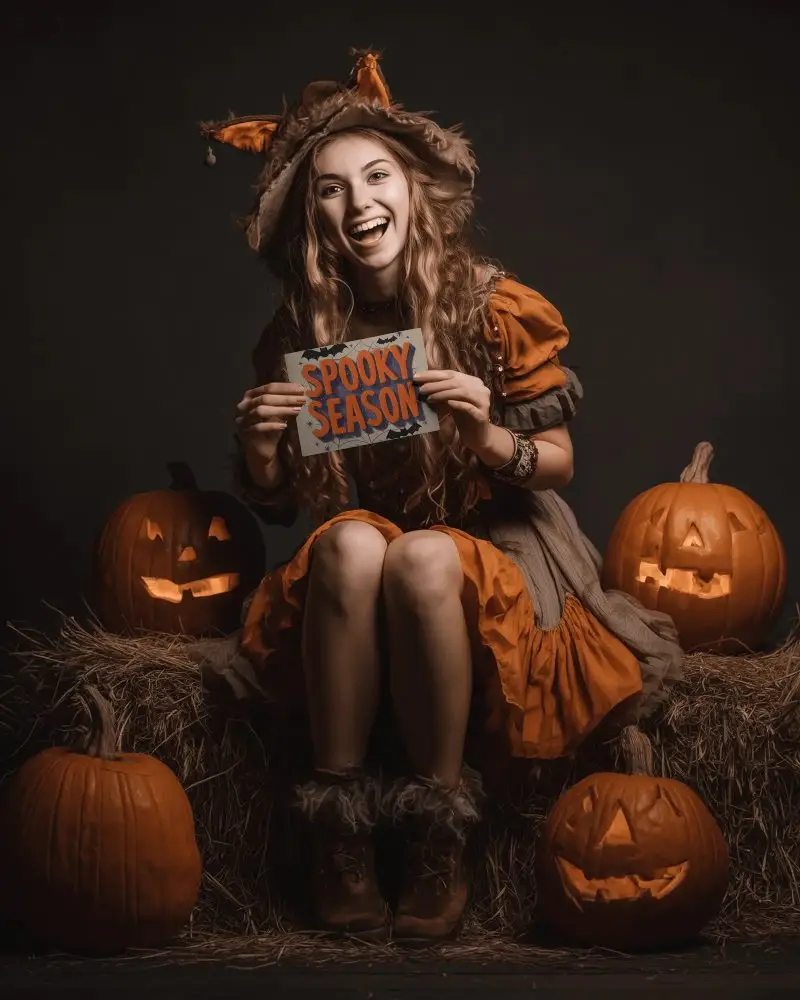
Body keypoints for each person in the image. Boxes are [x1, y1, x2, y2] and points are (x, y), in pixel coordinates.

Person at [202, 50, 683, 944]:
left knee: (421, 556)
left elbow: (557, 463)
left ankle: (438, 833)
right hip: (368, 551)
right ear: (313, 217)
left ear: (414, 188)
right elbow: (284, 505)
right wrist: (263, 451)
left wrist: (487, 435)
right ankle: (339, 833)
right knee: (352, 542)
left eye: (376, 176)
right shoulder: (304, 331)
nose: (358, 202)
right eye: (331, 189)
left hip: (491, 542)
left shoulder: (491, 306)